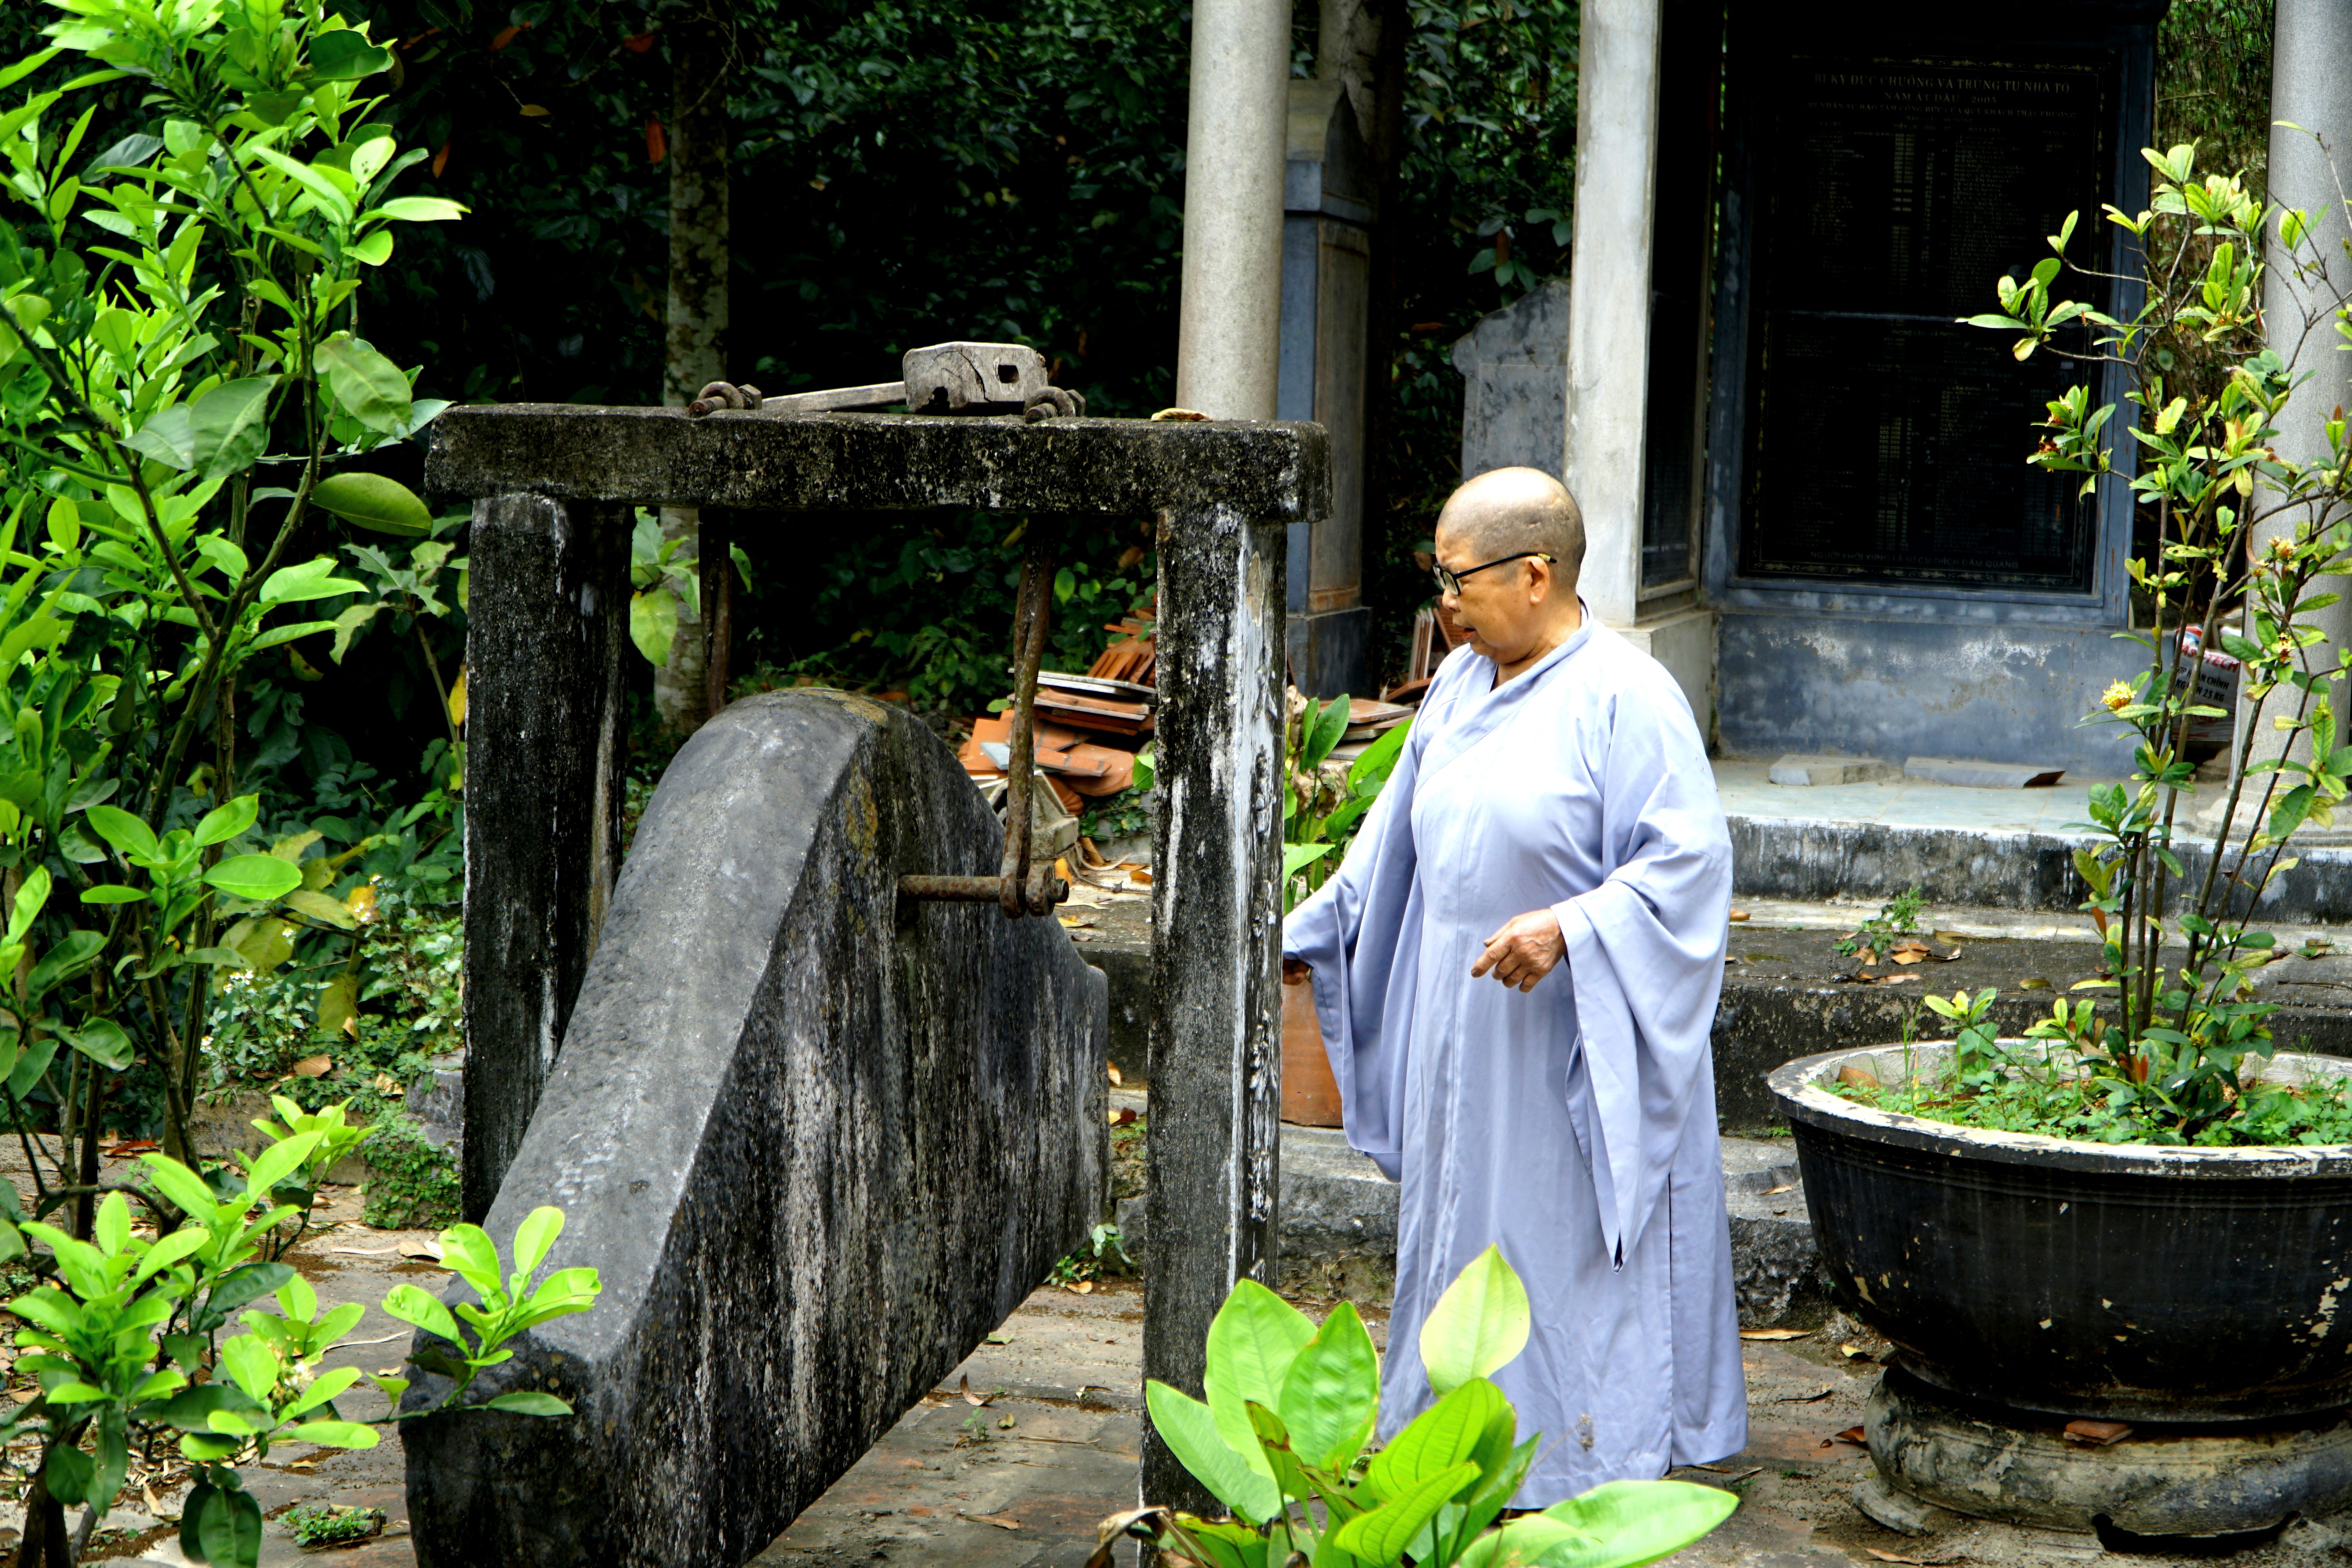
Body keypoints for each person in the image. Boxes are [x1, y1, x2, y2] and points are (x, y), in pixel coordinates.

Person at [1281, 465, 1744, 1503]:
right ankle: (1450, 1435)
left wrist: (1572, 928)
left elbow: (1689, 866)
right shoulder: (1458, 684)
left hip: (1570, 1036)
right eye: (1439, 580)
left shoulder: (1627, 697)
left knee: (1557, 1245)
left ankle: (1580, 1452)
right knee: (1461, 1231)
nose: (1446, 605)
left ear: (1536, 574)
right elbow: (1386, 849)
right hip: (1461, 1026)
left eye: (1460, 581)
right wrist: (1302, 936)